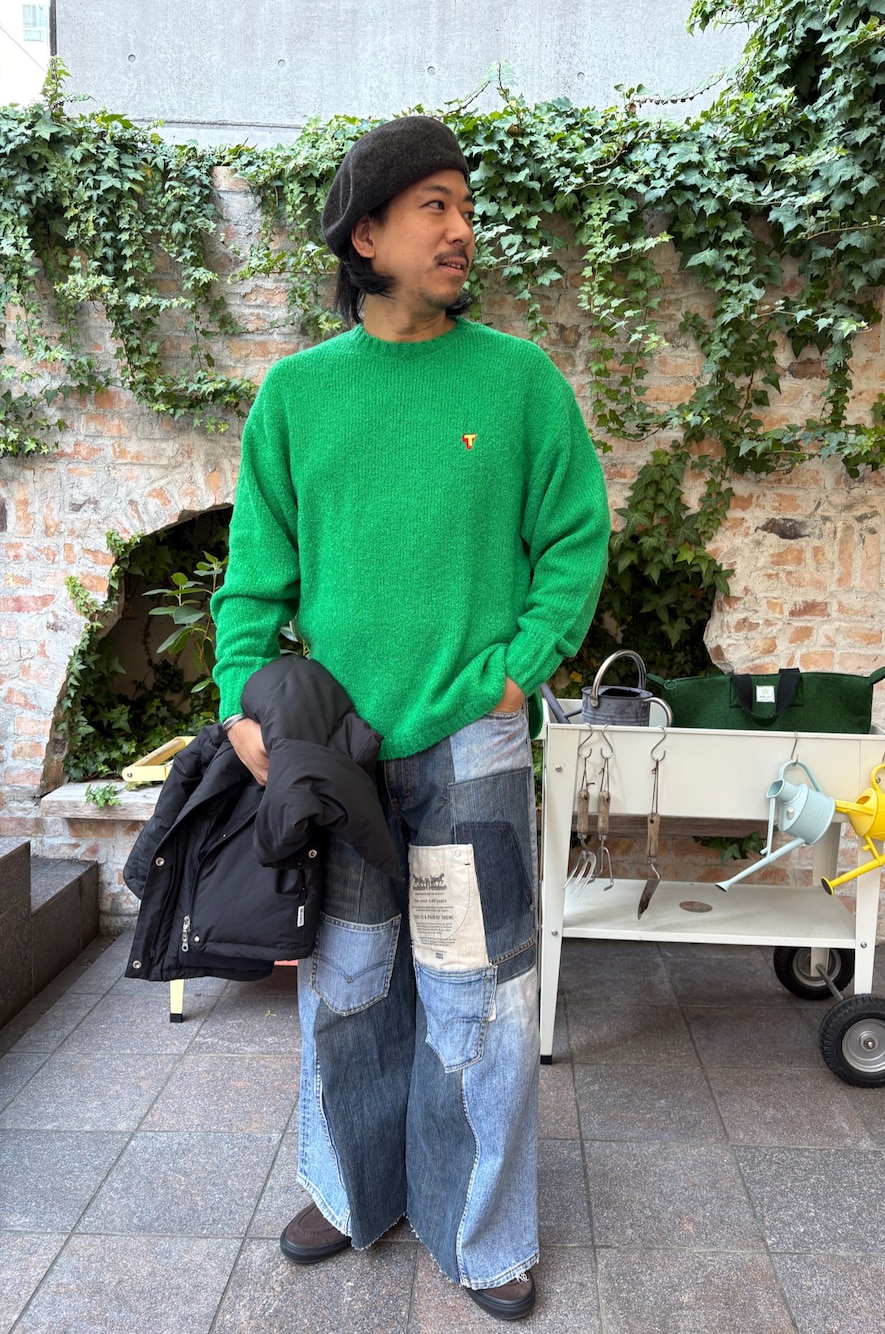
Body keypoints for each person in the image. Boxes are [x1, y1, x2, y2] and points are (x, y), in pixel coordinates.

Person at [211, 115, 610, 1322]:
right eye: (434, 205)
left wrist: (517, 671)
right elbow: (255, 574)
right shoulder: (297, 394)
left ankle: (480, 1231)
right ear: (366, 234)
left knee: (476, 992)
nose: (460, 228)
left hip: (471, 741)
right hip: (337, 749)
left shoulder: (517, 380)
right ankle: (349, 1190)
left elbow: (574, 537)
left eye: (465, 206)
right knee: (346, 980)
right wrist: (242, 699)